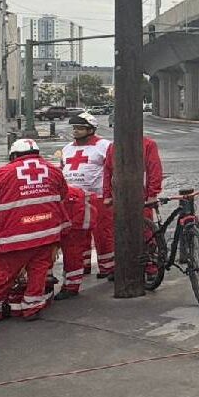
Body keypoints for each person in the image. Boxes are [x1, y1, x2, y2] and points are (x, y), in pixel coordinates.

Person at [0, 139, 68, 322]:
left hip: (15, 235)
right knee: (38, 273)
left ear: (14, 155)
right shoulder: (53, 170)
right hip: (46, 233)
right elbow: (62, 194)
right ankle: (32, 308)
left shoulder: (4, 172)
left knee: (2, 274)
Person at [60, 112, 114, 279]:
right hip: (73, 199)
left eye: (80, 128)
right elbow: (62, 169)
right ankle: (82, 266)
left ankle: (108, 267)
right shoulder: (67, 149)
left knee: (103, 234)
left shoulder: (104, 145)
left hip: (97, 197)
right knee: (77, 235)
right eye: (74, 128)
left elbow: (112, 169)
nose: (76, 131)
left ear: (91, 129)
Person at [103, 135, 163, 280]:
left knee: (146, 232)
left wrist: (152, 193)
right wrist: (107, 195)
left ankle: (150, 267)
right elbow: (108, 171)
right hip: (120, 197)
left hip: (141, 197)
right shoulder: (113, 147)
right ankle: (124, 265)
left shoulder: (148, 144)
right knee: (120, 232)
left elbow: (154, 168)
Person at [54, 185, 96, 300]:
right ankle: (72, 282)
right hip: (73, 207)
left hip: (75, 212)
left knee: (72, 251)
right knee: (72, 250)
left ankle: (72, 286)